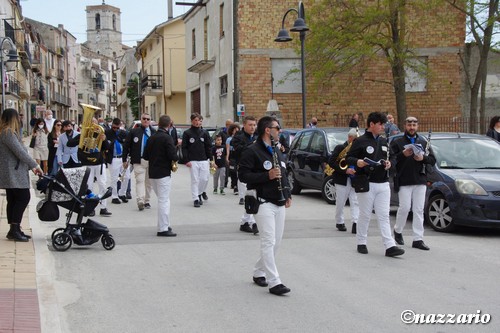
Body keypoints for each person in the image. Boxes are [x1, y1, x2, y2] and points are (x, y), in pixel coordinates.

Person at [238, 116, 292, 296]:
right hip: (262, 202)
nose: (280, 130)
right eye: (278, 127)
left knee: (276, 243)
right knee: (268, 241)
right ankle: (275, 282)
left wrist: (288, 193)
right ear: (268, 130)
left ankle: (259, 271)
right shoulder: (252, 151)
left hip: (279, 200)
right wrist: (265, 176)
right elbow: (243, 175)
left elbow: (282, 172)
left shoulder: (276, 149)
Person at [345, 111, 405, 257]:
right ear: (371, 124)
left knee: (384, 215)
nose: (383, 127)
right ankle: (361, 241)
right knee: (365, 215)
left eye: (384, 124)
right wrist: (357, 162)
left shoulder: (384, 141)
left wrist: (390, 164)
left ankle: (390, 245)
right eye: (380, 124)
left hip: (383, 183)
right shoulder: (360, 141)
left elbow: (393, 158)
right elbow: (349, 158)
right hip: (367, 182)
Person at [390, 116, 436, 251]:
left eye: (414, 125)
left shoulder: (423, 141)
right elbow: (392, 160)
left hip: (420, 179)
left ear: (417, 126)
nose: (412, 127)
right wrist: (402, 155)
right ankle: (398, 230)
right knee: (404, 208)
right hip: (404, 179)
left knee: (419, 210)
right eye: (409, 124)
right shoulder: (397, 142)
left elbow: (432, 160)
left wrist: (423, 158)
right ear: (405, 125)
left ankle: (418, 238)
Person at [0, 108, 43, 242]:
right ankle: (14, 228)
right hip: (13, 171)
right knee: (23, 197)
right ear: (12, 118)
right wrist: (35, 165)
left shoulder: (10, 133)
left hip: (13, 170)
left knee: (13, 199)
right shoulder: (7, 133)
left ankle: (14, 229)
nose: (19, 119)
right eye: (17, 117)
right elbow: (20, 152)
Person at [67, 118, 112, 217]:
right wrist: (82, 139)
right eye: (91, 123)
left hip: (99, 163)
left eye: (95, 124)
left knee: (102, 184)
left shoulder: (100, 135)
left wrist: (104, 140)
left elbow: (107, 147)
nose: (93, 126)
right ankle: (90, 208)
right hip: (86, 163)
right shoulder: (82, 135)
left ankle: (103, 207)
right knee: (89, 186)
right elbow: (69, 143)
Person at [143, 115, 178, 237]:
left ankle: (164, 224)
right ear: (169, 125)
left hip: (152, 173)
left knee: (162, 199)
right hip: (163, 173)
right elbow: (173, 156)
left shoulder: (151, 138)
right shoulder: (167, 138)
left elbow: (145, 156)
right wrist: (176, 147)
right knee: (164, 201)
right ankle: (163, 228)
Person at [327, 128, 359, 233]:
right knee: (341, 202)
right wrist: (345, 171)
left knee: (355, 202)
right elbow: (331, 162)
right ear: (350, 138)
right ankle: (339, 221)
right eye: (355, 139)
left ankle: (355, 223)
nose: (357, 142)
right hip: (342, 178)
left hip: (354, 179)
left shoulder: (357, 149)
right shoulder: (340, 148)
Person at [123, 113, 156, 211]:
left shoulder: (154, 132)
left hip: (151, 161)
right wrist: (124, 159)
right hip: (138, 160)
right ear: (141, 120)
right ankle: (140, 200)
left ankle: (147, 201)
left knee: (149, 183)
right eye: (144, 119)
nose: (146, 120)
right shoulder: (134, 132)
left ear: (150, 121)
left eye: (148, 119)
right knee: (140, 181)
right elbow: (126, 146)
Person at [232, 116, 258, 233]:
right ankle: (251, 222)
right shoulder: (238, 137)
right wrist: (253, 144)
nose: (253, 127)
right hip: (244, 170)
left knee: (254, 196)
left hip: (256, 170)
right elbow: (239, 150)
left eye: (254, 125)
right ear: (244, 125)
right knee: (249, 196)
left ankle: (247, 222)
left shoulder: (258, 136)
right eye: (250, 125)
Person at [181, 113, 214, 207]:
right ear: (192, 121)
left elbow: (208, 147)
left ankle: (200, 192)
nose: (197, 122)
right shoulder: (187, 133)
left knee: (205, 178)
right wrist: (186, 160)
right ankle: (195, 198)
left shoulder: (205, 133)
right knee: (195, 180)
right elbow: (184, 147)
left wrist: (211, 160)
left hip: (204, 159)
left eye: (199, 120)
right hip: (193, 160)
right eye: (195, 120)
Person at [105, 118, 130, 205]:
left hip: (123, 157)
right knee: (114, 178)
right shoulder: (107, 132)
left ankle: (122, 193)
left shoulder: (123, 133)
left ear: (120, 126)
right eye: (113, 127)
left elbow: (127, 143)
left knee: (126, 177)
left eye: (117, 128)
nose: (115, 129)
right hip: (113, 158)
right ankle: (114, 196)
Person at [226, 123, 240, 194]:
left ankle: (238, 185)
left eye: (237, 129)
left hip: (239, 156)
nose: (236, 130)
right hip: (232, 156)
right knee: (233, 171)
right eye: (234, 129)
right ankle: (234, 185)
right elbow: (228, 149)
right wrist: (227, 157)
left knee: (239, 171)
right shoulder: (229, 139)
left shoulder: (240, 138)